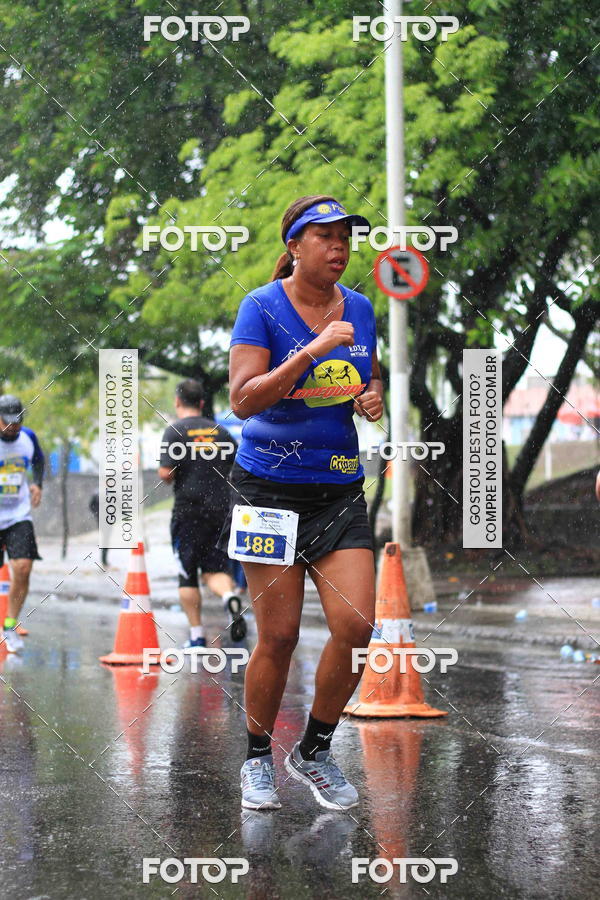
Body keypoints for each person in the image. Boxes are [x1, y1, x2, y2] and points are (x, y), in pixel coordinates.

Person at [219, 195, 383, 811]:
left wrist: (371, 401)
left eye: (346, 237)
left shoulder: (361, 309)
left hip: (337, 489)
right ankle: (258, 756)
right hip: (267, 492)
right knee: (280, 635)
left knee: (357, 627)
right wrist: (312, 349)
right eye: (326, 237)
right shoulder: (260, 307)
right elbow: (242, 400)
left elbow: (365, 379)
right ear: (294, 246)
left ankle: (313, 749)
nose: (340, 247)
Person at [158, 379, 246, 648]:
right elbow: (238, 468)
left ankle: (197, 636)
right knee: (214, 568)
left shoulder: (174, 432)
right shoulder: (221, 432)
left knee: (187, 573)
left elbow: (166, 473)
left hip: (188, 511)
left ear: (177, 402)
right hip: (221, 511)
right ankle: (228, 595)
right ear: (202, 403)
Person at [0, 395, 44, 653]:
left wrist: (37, 483)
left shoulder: (28, 437)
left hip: (18, 515)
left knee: (23, 568)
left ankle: (9, 624)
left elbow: (38, 460)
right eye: (7, 422)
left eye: (17, 422)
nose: (12, 427)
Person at [89, 492, 109, 567]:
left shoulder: (112, 493)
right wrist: (97, 514)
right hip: (101, 520)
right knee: (105, 538)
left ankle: (104, 559)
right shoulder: (97, 494)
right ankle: (104, 559)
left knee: (106, 539)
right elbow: (91, 505)